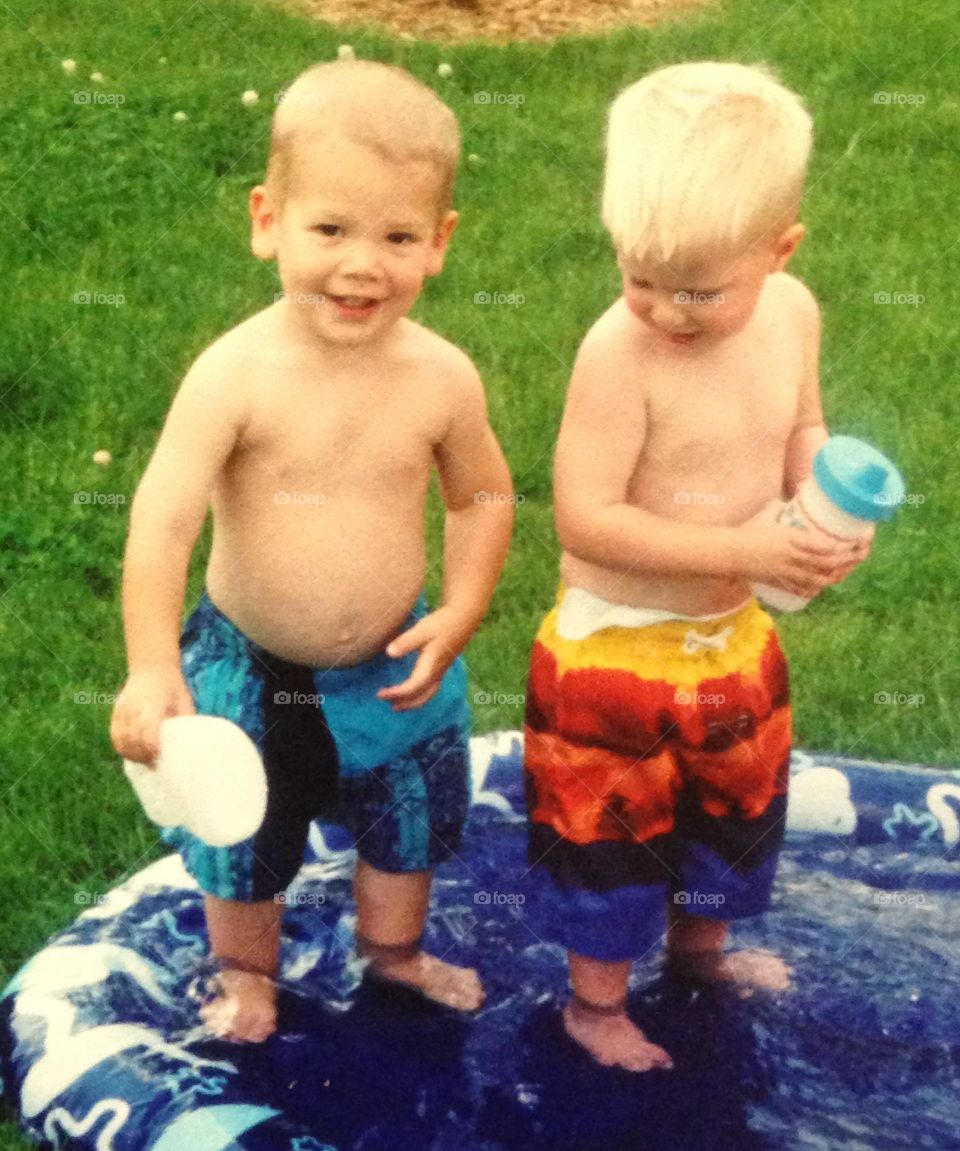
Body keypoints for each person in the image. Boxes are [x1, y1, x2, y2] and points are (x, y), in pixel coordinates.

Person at [110, 58, 513, 1043]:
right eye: (329, 229)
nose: (362, 264)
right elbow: (163, 519)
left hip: (396, 660)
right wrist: (153, 665)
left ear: (440, 243)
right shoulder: (235, 375)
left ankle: (393, 953)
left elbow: (484, 495)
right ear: (267, 221)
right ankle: (247, 972)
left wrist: (460, 608)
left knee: (404, 822)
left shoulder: (441, 378)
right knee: (241, 834)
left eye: (397, 235)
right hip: (253, 663)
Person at [523, 62, 870, 1071]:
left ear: (780, 250)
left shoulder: (793, 314)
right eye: (640, 277)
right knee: (610, 839)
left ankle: (701, 952)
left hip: (731, 641)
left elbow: (804, 423)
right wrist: (743, 548)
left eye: (698, 289)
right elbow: (587, 521)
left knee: (734, 813)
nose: (665, 310)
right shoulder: (616, 354)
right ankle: (595, 1003)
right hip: (614, 660)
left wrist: (825, 507)